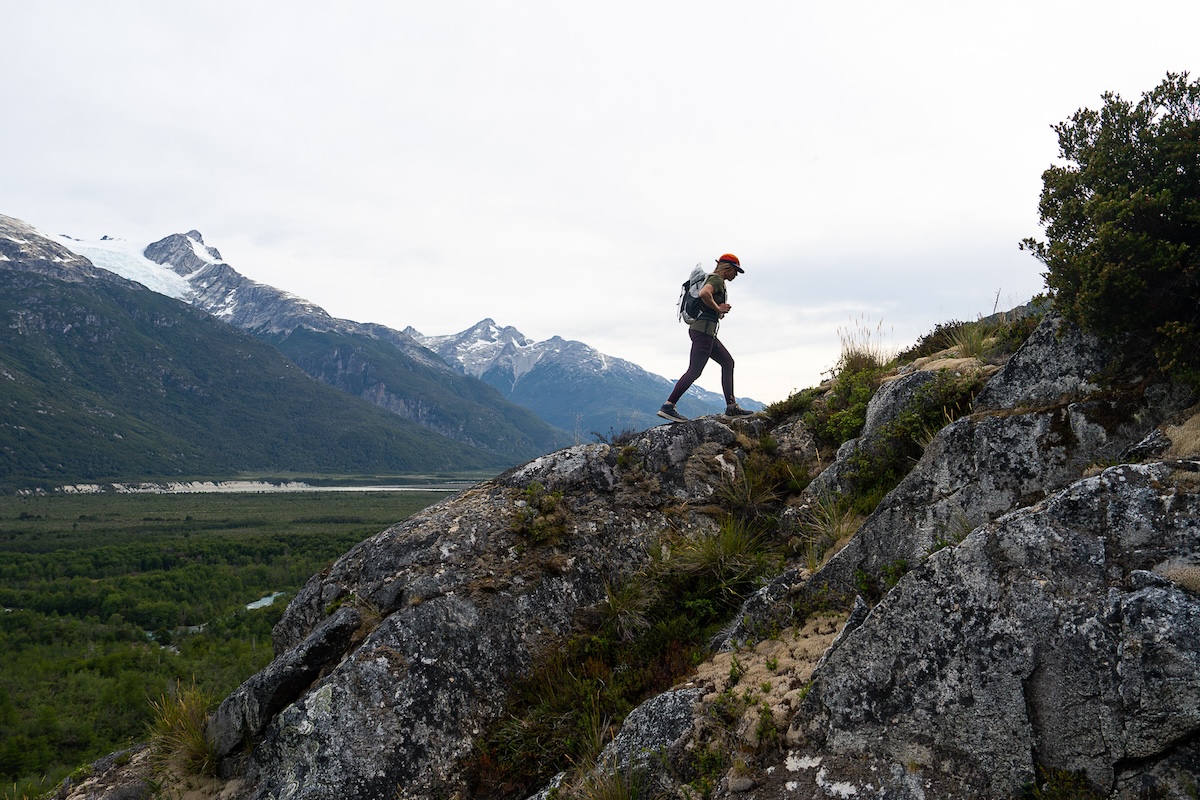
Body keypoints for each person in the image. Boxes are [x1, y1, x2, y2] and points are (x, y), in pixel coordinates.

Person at [658, 254, 754, 422]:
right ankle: (668, 406)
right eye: (736, 271)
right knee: (694, 371)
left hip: (706, 333)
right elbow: (704, 294)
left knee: (727, 362)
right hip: (703, 333)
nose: (736, 275)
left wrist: (717, 311)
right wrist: (718, 308)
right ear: (728, 268)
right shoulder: (716, 280)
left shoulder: (714, 279)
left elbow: (705, 299)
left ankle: (731, 407)